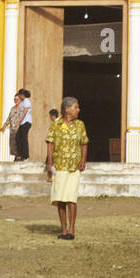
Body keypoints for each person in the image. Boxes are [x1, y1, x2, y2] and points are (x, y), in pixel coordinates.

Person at [45, 96, 89, 240]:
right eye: (75, 107)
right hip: (59, 166)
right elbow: (50, 144)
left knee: (71, 198)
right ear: (67, 109)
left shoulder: (80, 125)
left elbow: (84, 143)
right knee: (60, 199)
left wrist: (83, 160)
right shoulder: (55, 126)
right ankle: (63, 230)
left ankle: (71, 230)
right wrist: (49, 163)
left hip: (73, 167)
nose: (78, 110)